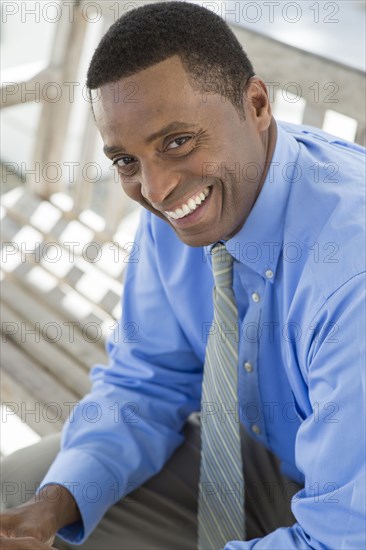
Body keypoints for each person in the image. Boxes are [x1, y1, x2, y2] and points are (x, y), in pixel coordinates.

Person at [1, 2, 365, 549]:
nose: (155, 189)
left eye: (177, 141)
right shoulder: (183, 210)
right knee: (16, 492)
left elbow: (342, 537)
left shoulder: (349, 272)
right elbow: (147, 380)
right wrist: (50, 509)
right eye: (126, 161)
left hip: (347, 500)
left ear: (258, 104)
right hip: (261, 454)